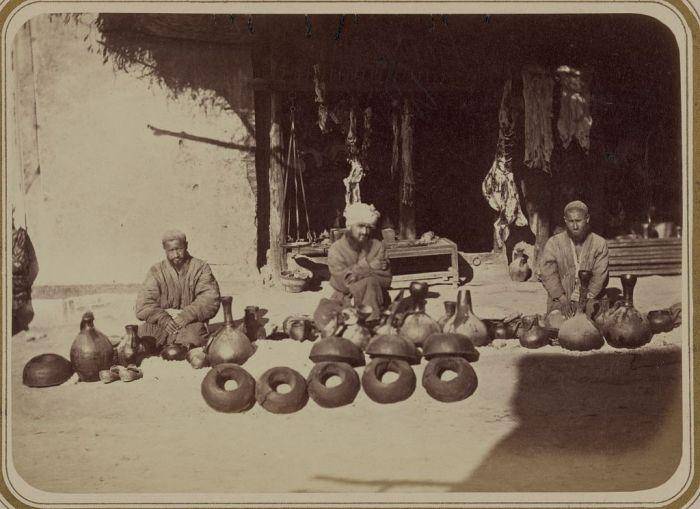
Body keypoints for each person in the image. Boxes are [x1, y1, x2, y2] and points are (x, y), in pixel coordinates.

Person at [135, 230, 220, 350]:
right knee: (141, 337)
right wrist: (163, 319)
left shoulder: (201, 268)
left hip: (190, 322)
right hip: (162, 323)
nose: (176, 255)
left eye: (179, 249)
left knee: (193, 339)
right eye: (171, 250)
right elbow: (143, 304)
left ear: (186, 245)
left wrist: (186, 315)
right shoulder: (156, 271)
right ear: (164, 249)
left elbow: (210, 299)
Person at [539, 200, 609, 317]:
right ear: (565, 220)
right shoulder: (554, 243)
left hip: (590, 297)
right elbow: (548, 274)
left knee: (591, 322)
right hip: (560, 299)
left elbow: (599, 277)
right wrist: (562, 298)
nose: (575, 226)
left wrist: (581, 300)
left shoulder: (599, 244)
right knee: (556, 321)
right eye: (571, 221)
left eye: (578, 221)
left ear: (587, 219)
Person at [326, 202, 392, 324]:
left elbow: (386, 280)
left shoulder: (377, 246)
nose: (365, 232)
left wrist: (356, 275)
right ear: (350, 226)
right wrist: (369, 266)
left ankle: (371, 320)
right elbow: (343, 283)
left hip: (378, 301)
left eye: (369, 227)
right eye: (360, 226)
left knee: (371, 282)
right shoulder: (336, 249)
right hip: (345, 301)